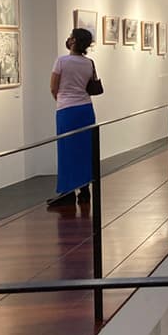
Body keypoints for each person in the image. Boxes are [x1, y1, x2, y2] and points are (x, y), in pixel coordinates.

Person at [48, 28, 97, 207]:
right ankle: (84, 190)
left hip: (67, 111)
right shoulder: (89, 63)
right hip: (86, 109)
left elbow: (53, 87)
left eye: (70, 37)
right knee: (84, 150)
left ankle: (67, 192)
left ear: (74, 41)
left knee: (66, 151)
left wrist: (62, 100)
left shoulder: (61, 61)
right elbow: (90, 85)